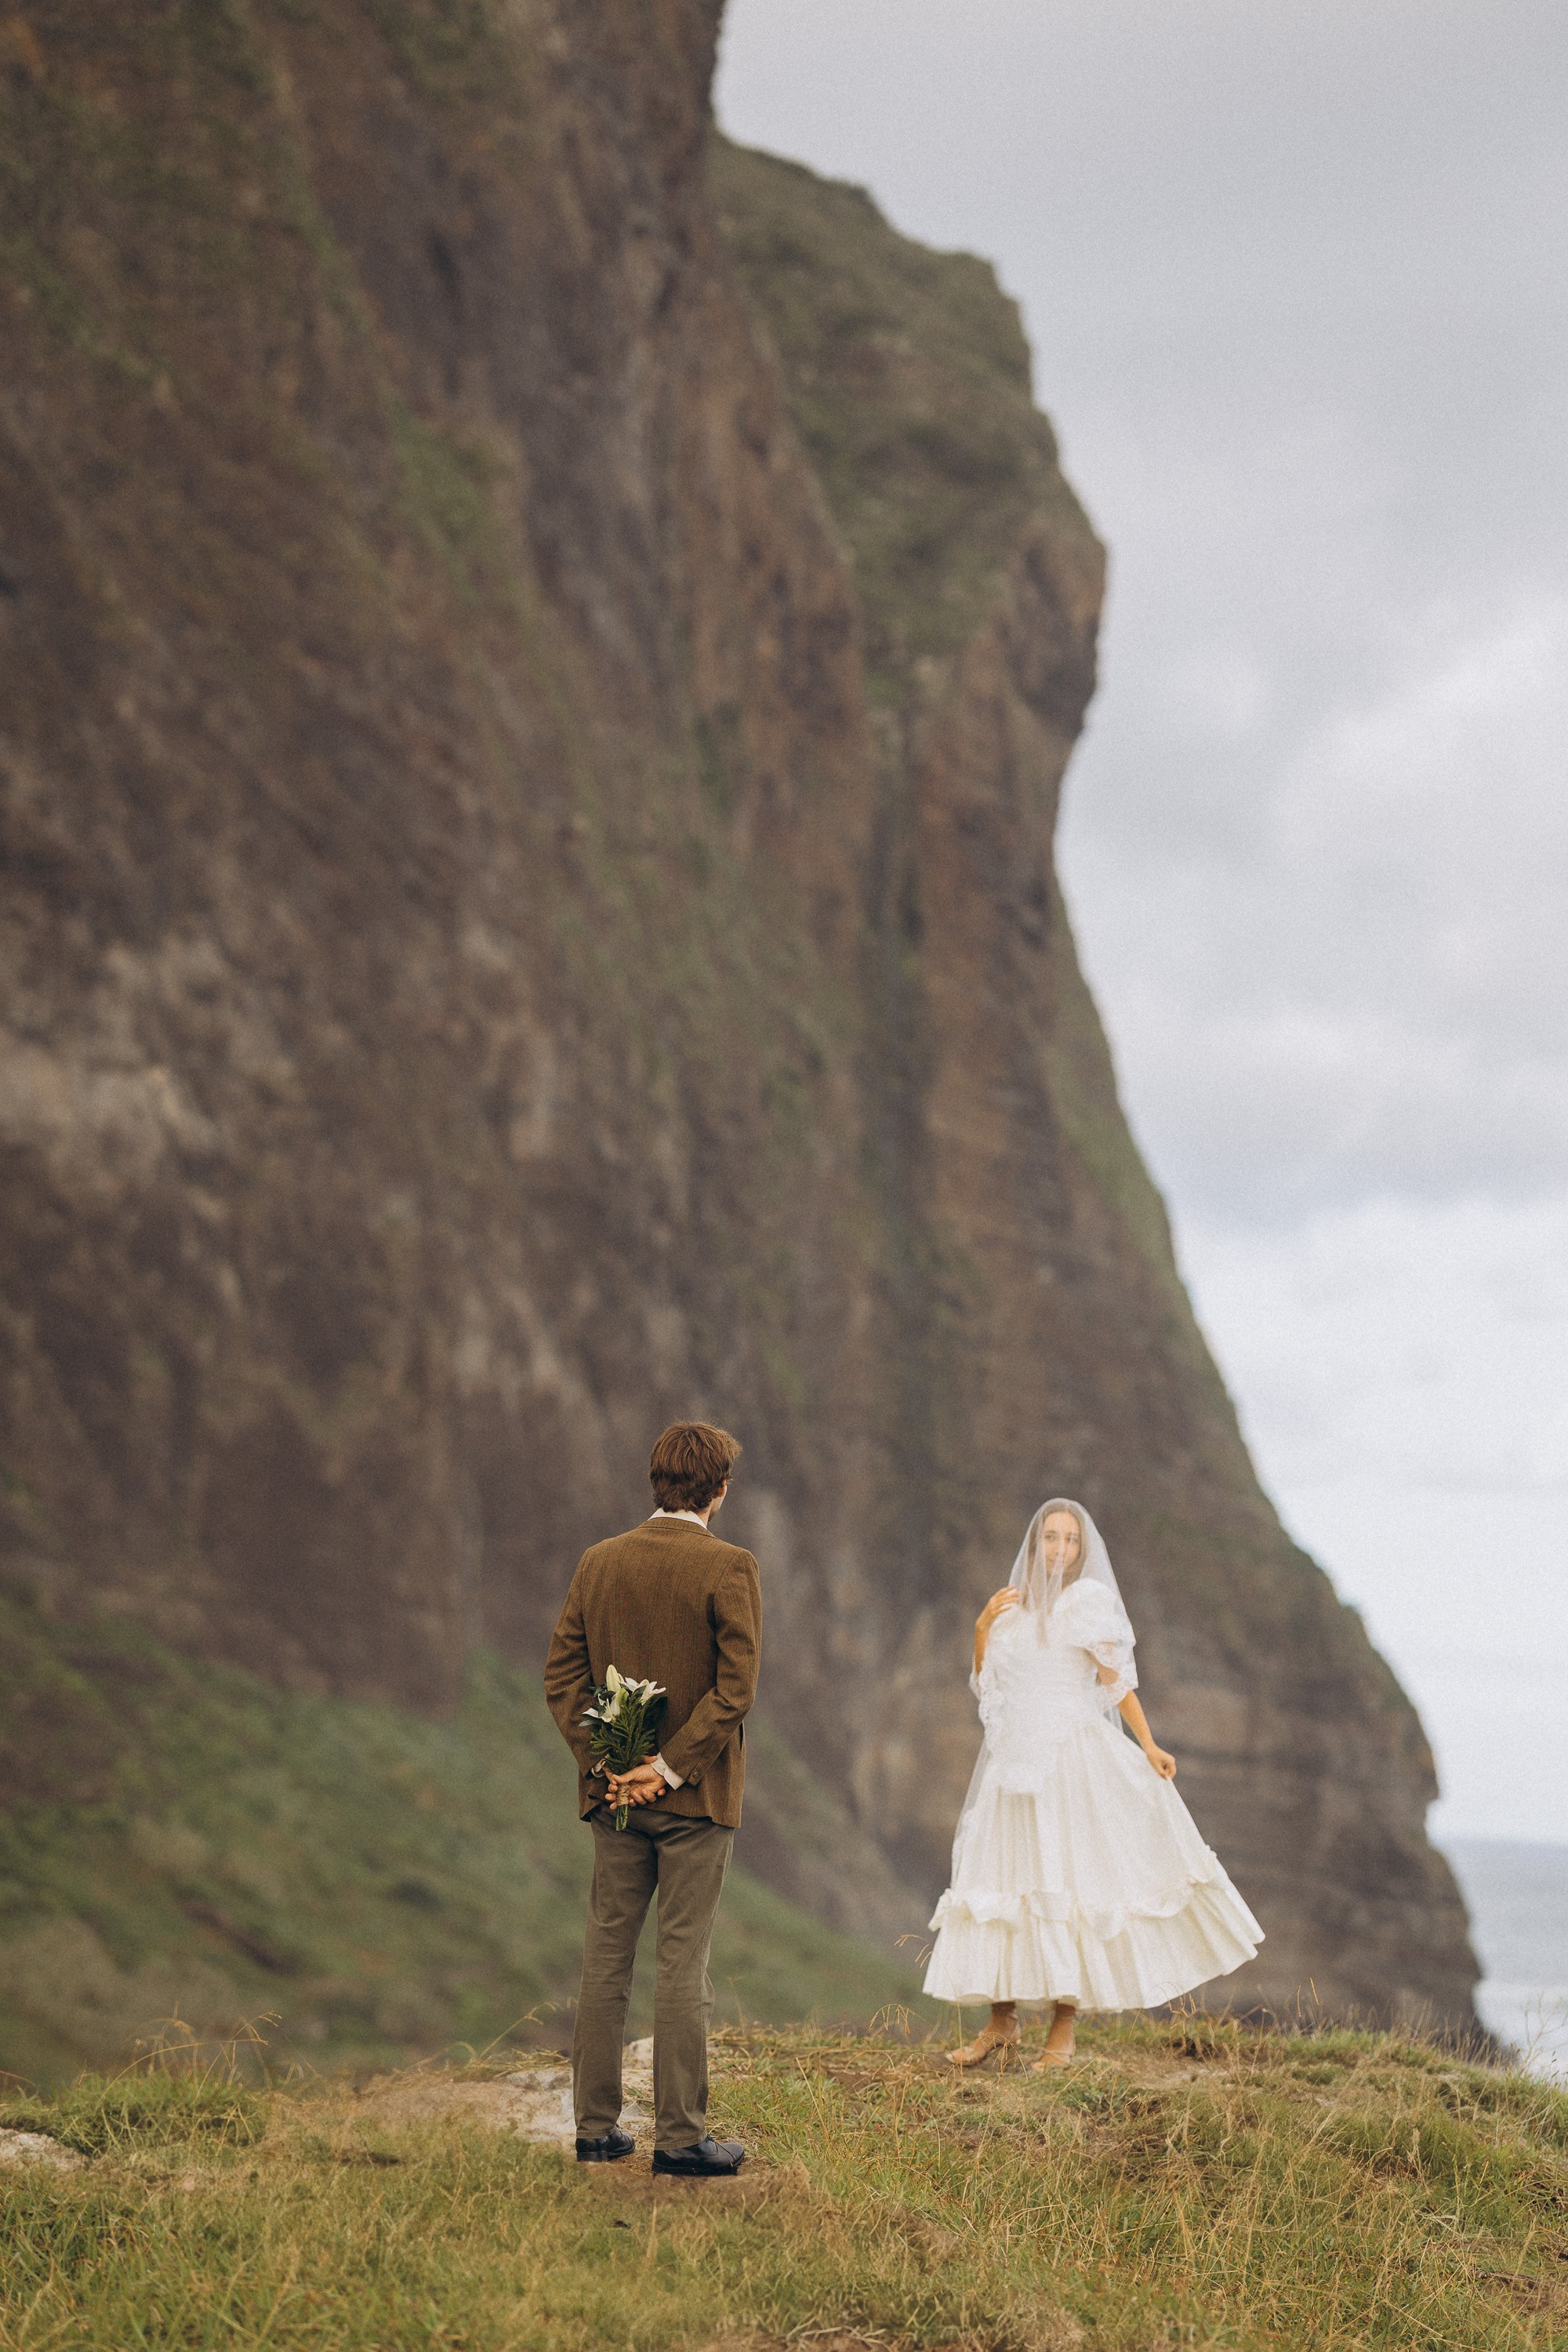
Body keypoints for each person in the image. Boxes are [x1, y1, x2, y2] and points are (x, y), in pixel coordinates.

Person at [923, 1497, 1261, 2068]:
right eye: (1050, 1538)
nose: (1059, 1549)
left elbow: (1116, 1683)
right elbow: (988, 1689)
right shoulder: (1006, 1612)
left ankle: (1063, 2028)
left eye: (1070, 1540)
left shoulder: (1088, 1604)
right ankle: (1000, 2025)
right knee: (1003, 1883)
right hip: (1013, 1764)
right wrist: (981, 1629)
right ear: (1035, 1545)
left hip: (1070, 1760)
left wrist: (1149, 1744)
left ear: (1082, 1551)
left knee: (1069, 1882)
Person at [545, 1421, 760, 2173]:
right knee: (681, 1964)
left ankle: (595, 2129)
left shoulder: (598, 1562)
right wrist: (666, 1769)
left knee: (607, 1956)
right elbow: (735, 1692)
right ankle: (680, 2139)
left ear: (656, 1481)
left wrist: (608, 1762)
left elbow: (562, 1677)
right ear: (721, 1490)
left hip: (612, 1799)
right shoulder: (731, 1568)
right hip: (696, 1803)